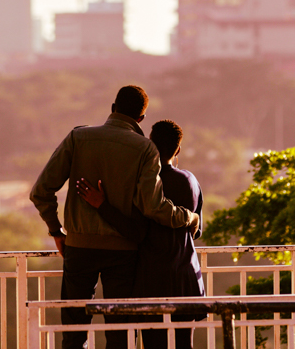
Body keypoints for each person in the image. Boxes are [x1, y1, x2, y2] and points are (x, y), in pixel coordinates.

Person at [30, 85, 200, 349]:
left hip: (79, 247)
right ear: (141, 119)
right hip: (123, 253)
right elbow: (154, 207)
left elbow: (41, 191)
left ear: (113, 108)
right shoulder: (145, 149)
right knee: (120, 331)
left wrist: (56, 230)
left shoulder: (78, 138)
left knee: (73, 330)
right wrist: (188, 218)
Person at [76, 119, 204, 349]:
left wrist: (102, 205)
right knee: (184, 343)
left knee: (154, 343)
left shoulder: (143, 183)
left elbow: (136, 232)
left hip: (152, 280)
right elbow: (197, 230)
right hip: (186, 278)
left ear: (149, 145)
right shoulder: (191, 181)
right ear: (178, 150)